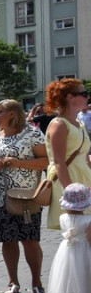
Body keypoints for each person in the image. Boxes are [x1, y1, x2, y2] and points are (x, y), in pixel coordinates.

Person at [0, 99, 49, 293]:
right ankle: (13, 282)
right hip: (0, 197)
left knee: (30, 240)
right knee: (8, 240)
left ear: (12, 113)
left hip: (26, 196)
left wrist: (18, 162)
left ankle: (37, 283)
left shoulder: (32, 133)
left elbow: (46, 161)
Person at [44, 78, 91, 231]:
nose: (88, 97)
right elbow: (59, 162)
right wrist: (71, 193)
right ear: (70, 97)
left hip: (84, 177)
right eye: (84, 94)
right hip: (69, 179)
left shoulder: (80, 124)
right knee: (76, 231)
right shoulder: (59, 124)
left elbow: (85, 156)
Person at [46, 183, 91, 293]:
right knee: (85, 277)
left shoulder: (63, 218)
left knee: (66, 277)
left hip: (66, 250)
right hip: (84, 251)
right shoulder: (88, 220)